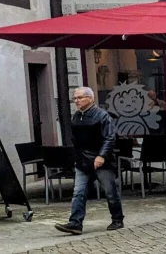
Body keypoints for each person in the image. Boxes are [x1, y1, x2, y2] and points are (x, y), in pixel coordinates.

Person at [55, 87, 124, 235]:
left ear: (90, 99)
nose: (76, 101)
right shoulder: (76, 117)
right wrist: (76, 157)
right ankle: (75, 223)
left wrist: (102, 156)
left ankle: (117, 219)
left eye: (80, 98)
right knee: (78, 192)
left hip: (101, 160)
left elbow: (110, 138)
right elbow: (76, 140)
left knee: (110, 191)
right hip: (82, 160)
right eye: (75, 98)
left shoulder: (102, 116)